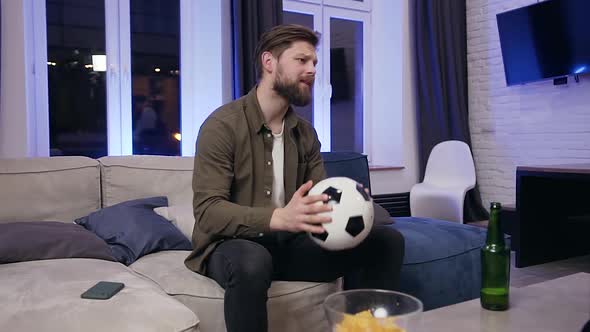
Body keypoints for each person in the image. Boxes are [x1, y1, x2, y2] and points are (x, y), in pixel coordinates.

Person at [185, 24, 405, 332]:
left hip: (288, 245)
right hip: (230, 246)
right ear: (269, 62)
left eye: (314, 62)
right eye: (302, 61)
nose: (312, 69)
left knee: (386, 241)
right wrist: (278, 218)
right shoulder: (222, 126)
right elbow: (208, 212)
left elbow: (319, 201)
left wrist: (351, 202)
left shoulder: (304, 134)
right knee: (252, 260)